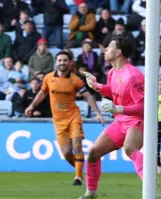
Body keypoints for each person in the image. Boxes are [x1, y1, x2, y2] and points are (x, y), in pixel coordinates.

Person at [75, 35, 146, 199]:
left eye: (109, 47)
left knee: (130, 149)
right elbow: (113, 91)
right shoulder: (113, 72)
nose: (105, 49)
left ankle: (151, 189)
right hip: (120, 121)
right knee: (93, 152)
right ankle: (90, 194)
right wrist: (96, 86)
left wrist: (117, 108)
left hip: (136, 120)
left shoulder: (133, 75)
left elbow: (144, 106)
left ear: (119, 52)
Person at [26, 51, 103, 186]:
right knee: (66, 153)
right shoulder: (49, 78)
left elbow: (88, 96)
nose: (62, 63)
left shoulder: (75, 80)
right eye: (60, 60)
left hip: (73, 116)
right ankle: (81, 170)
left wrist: (98, 113)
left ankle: (78, 178)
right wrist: (31, 106)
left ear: (69, 62)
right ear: (56, 62)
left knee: (77, 144)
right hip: (58, 120)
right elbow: (42, 94)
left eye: (65, 60)